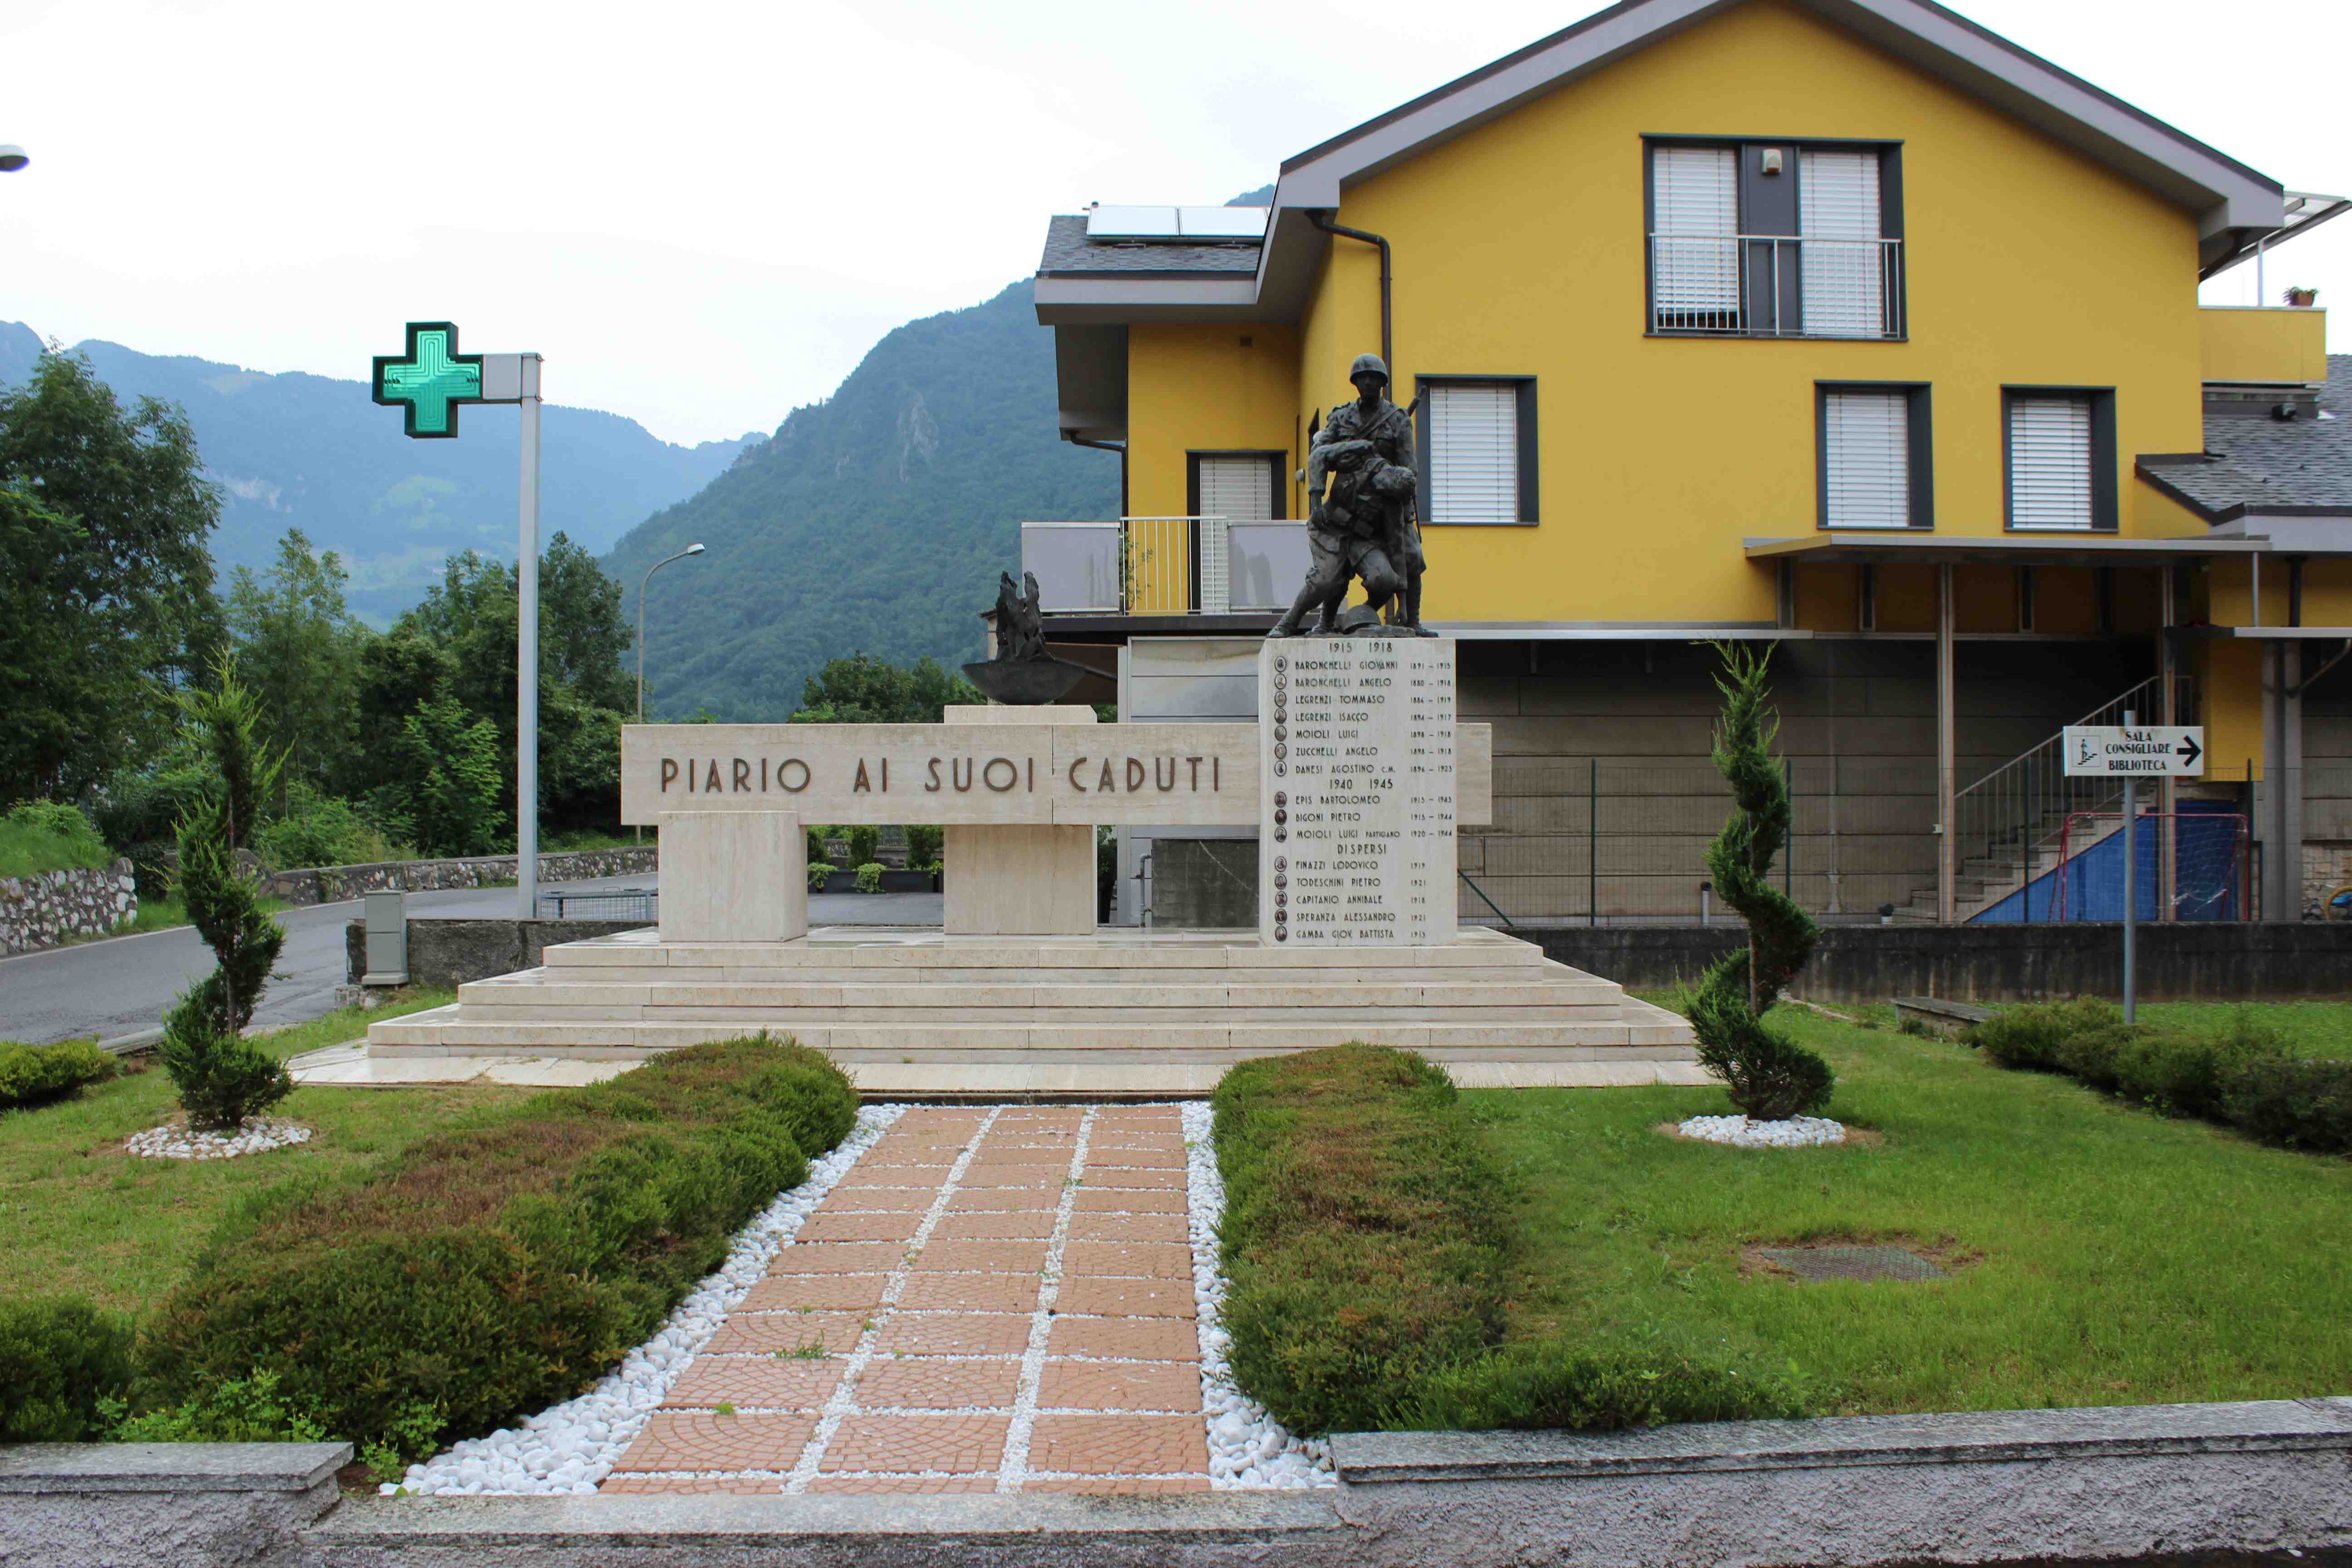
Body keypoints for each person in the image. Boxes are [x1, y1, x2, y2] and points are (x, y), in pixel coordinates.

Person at [1266, 353, 1434, 637]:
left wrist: (1392, 490)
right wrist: (1327, 480)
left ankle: (1412, 622)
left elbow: (1410, 470)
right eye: (1363, 378)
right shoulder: (1341, 417)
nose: (1368, 383)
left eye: (1374, 378)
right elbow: (1317, 456)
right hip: (1342, 512)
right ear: (1355, 382)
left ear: (1383, 383)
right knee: (1328, 578)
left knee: (1412, 556)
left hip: (1385, 509)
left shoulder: (1398, 421)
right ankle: (1309, 623)